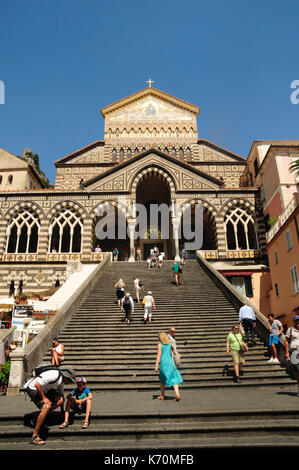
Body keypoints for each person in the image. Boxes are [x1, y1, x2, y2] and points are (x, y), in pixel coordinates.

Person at [24, 367, 76, 445]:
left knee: (61, 399)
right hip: (33, 389)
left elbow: (61, 395)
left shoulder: (61, 382)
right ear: (66, 377)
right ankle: (34, 436)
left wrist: (62, 412)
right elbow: (37, 384)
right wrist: (44, 398)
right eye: (70, 380)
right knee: (46, 407)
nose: (69, 383)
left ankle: (39, 418)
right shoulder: (54, 375)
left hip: (43, 390)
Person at [155, 331, 183, 401]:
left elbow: (159, 355)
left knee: (162, 380)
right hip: (170, 363)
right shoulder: (170, 344)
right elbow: (174, 352)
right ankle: (177, 394)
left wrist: (156, 365)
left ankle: (162, 395)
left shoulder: (160, 344)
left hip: (163, 364)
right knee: (174, 379)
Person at [285, 314, 299, 396]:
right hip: (294, 351)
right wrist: (287, 352)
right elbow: (286, 341)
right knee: (297, 370)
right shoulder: (290, 330)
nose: (298, 322)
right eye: (296, 321)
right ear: (294, 322)